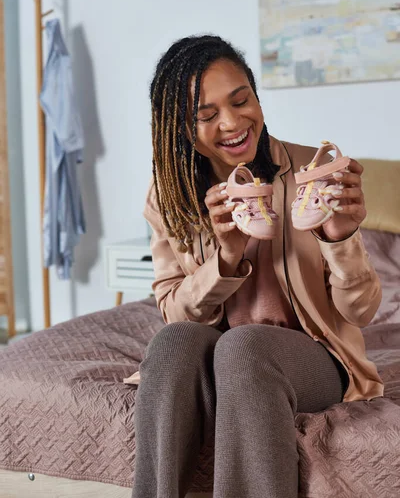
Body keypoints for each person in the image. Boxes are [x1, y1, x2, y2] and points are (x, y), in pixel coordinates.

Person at [131, 35, 383, 498]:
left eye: (241, 100)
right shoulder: (168, 194)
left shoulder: (315, 170)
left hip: (312, 356)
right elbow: (175, 313)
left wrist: (340, 237)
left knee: (244, 348)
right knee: (170, 344)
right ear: (180, 129)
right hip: (219, 355)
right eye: (206, 116)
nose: (232, 123)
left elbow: (362, 311)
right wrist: (223, 258)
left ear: (256, 95)